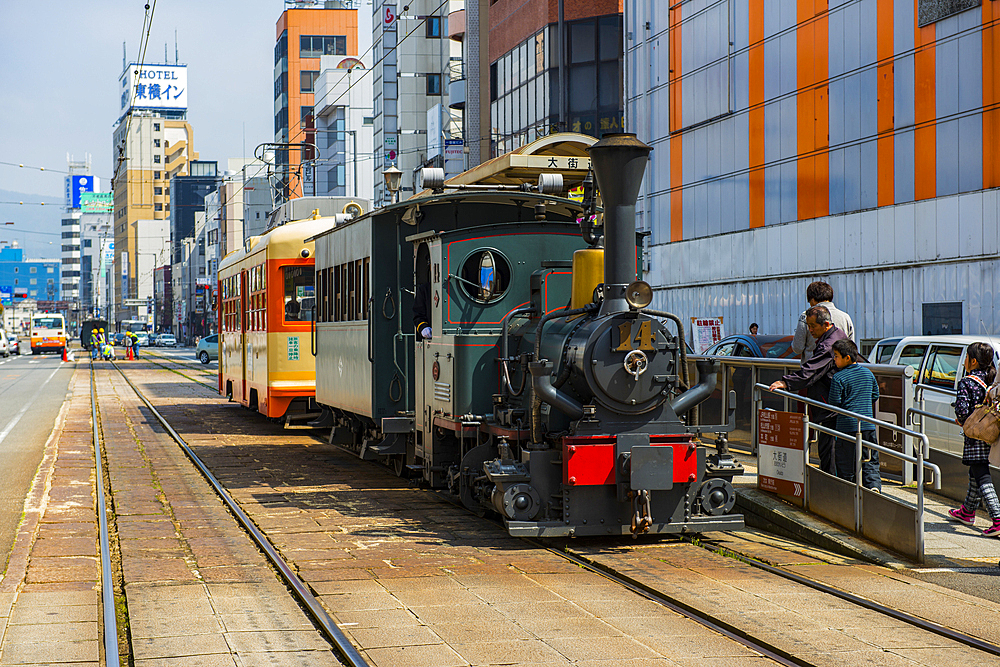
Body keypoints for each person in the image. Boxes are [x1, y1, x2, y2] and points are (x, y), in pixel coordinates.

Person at [769, 306, 848, 475]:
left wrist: (786, 382)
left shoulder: (828, 344)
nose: (810, 330)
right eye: (808, 325)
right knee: (830, 443)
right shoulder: (836, 334)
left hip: (832, 401)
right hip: (834, 400)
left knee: (829, 445)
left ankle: (830, 482)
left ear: (826, 324)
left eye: (812, 326)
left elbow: (811, 370)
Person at [947, 342, 1000, 536]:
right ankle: (967, 511)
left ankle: (998, 518)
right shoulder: (991, 380)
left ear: (974, 361)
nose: (964, 363)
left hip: (975, 436)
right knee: (975, 472)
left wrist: (962, 421)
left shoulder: (967, 382)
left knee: (982, 475)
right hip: (991, 434)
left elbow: (961, 411)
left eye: (966, 359)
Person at [828, 339, 882, 491]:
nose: (834, 359)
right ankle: (873, 486)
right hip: (868, 425)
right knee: (869, 459)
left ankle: (848, 490)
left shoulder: (839, 378)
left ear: (847, 358)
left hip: (846, 427)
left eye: (836, 356)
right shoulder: (867, 373)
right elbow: (875, 395)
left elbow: (834, 402)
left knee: (846, 462)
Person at [790, 281, 855, 360]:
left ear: (812, 300)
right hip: (839, 369)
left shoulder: (806, 316)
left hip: (813, 368)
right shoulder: (845, 317)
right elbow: (851, 348)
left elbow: (797, 348)